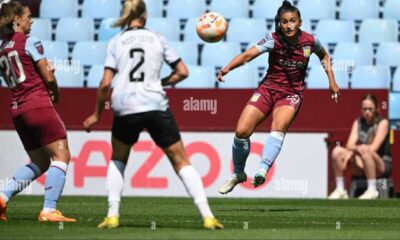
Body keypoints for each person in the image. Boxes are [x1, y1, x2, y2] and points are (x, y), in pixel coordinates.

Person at [83, 0, 223, 230]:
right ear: (145, 15)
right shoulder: (157, 38)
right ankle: (208, 216)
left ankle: (112, 215)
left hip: (125, 105)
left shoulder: (116, 41)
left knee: (118, 158)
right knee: (181, 161)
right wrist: (161, 82)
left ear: (126, 16)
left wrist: (96, 114)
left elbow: (105, 83)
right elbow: (183, 72)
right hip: (154, 103)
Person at [218, 0, 340, 194]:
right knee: (241, 132)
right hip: (267, 89)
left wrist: (331, 81)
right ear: (279, 23)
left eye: (292, 21)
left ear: (300, 22)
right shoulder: (273, 39)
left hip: (291, 93)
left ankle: (262, 169)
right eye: (284, 21)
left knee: (279, 127)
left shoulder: (310, 41)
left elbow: (324, 56)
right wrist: (227, 68)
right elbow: (248, 55)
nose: (288, 25)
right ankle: (239, 174)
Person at [0, 1, 75, 222]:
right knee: (62, 155)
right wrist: (55, 89)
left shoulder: (2, 47)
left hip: (18, 109)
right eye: (28, 17)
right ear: (17, 20)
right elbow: (48, 78)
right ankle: (49, 210)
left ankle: (3, 196)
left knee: (40, 162)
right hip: (37, 104)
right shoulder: (30, 42)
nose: (31, 21)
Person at [329, 94, 391, 199]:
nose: (367, 112)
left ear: (376, 109)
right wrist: (354, 151)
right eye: (364, 109)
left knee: (366, 150)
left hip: (381, 164)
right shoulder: (358, 122)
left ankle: (372, 190)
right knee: (337, 151)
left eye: (370, 109)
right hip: (362, 161)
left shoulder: (383, 123)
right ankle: (340, 190)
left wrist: (354, 152)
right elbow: (349, 144)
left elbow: (374, 147)